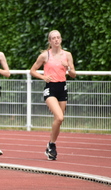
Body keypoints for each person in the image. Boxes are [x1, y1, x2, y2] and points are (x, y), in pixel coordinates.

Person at [30, 30, 76, 160]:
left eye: (58, 38)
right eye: (53, 38)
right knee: (60, 117)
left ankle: (51, 144)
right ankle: (52, 145)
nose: (56, 40)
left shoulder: (67, 55)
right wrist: (43, 77)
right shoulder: (45, 56)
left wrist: (67, 68)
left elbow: (73, 74)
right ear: (50, 41)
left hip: (62, 88)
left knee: (59, 121)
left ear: (61, 39)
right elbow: (32, 71)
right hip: (50, 88)